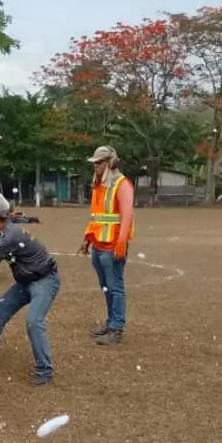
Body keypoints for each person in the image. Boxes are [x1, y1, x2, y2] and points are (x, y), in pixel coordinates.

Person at [0, 195, 60, 385]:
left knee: (34, 321)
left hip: (44, 280)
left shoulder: (8, 237)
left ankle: (45, 370)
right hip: (27, 281)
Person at [78, 145, 135, 345]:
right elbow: (97, 216)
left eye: (99, 162)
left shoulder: (122, 184)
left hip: (113, 245)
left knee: (115, 287)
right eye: (94, 162)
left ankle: (116, 328)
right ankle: (111, 324)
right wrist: (88, 238)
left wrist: (121, 244)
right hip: (99, 245)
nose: (95, 166)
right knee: (106, 287)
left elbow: (127, 216)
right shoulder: (100, 185)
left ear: (109, 162)